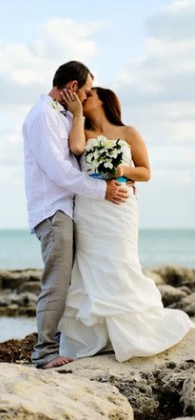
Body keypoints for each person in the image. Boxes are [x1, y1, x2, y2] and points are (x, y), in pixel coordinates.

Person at [57, 87, 195, 362]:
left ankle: (133, 331)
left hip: (120, 209)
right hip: (89, 209)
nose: (84, 97)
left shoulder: (129, 133)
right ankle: (98, 338)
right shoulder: (80, 131)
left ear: (105, 101)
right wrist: (77, 115)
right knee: (91, 265)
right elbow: (75, 149)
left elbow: (145, 172)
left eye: (90, 95)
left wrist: (121, 170)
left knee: (121, 262)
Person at [22, 61, 129, 369]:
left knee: (71, 280)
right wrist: (102, 191)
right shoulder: (43, 116)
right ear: (70, 87)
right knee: (56, 282)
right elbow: (59, 171)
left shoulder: (65, 115)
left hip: (68, 209)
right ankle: (43, 353)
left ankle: (68, 342)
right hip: (52, 209)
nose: (85, 97)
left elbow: (80, 155)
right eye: (84, 91)